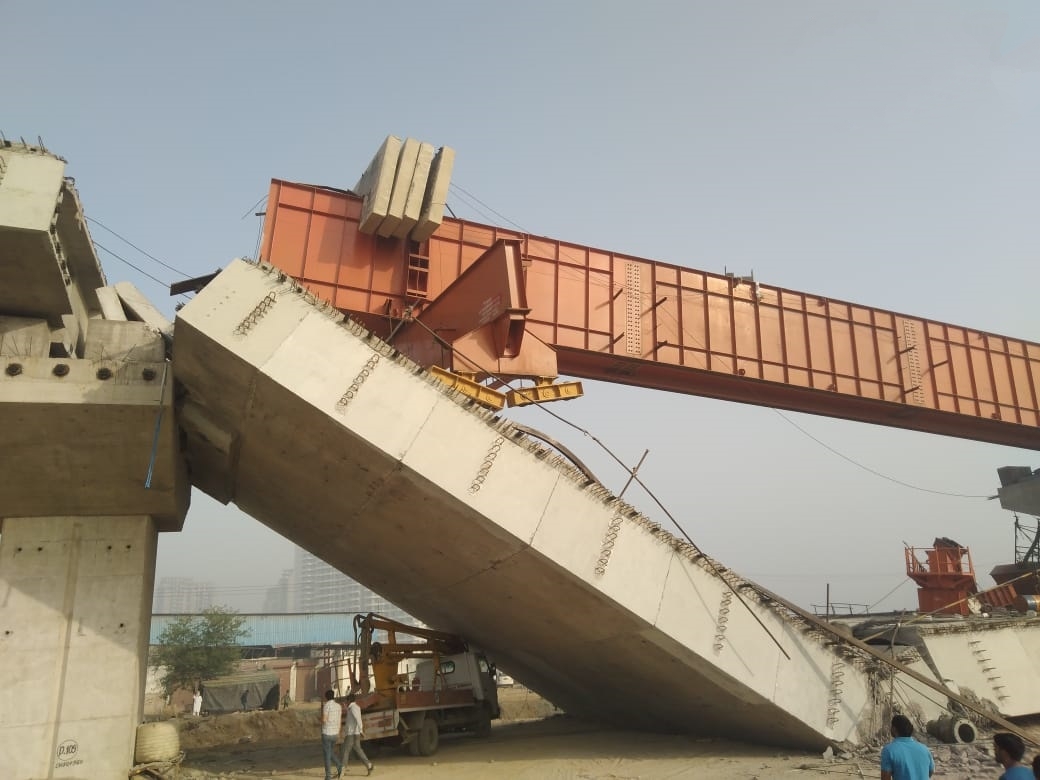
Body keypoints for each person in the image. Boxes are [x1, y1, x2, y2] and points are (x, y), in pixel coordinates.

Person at [880, 714, 934, 780]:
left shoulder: (888, 750)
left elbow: (885, 778)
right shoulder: (924, 749)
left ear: (894, 729)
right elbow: (931, 771)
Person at [339, 693, 373, 776]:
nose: (346, 702)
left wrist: (361, 730)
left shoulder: (353, 708)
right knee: (358, 749)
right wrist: (346, 708)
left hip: (352, 733)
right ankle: (369, 765)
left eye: (347, 700)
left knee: (345, 750)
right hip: (355, 733)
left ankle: (342, 769)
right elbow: (353, 716)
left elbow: (358, 719)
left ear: (349, 700)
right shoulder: (353, 707)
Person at [320, 689, 344, 780]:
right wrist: (339, 731)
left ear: (326, 697)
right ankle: (339, 767)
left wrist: (320, 720)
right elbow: (340, 720)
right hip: (335, 733)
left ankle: (328, 776)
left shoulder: (326, 706)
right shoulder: (338, 706)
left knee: (327, 756)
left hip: (327, 733)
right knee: (330, 752)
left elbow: (324, 720)